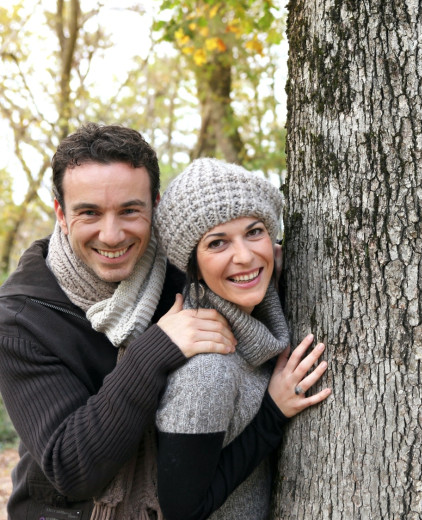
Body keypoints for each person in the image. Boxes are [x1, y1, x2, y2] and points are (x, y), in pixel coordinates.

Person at [0, 123, 239, 519]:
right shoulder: (20, 319)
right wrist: (155, 351)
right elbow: (70, 467)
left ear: (155, 206)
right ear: (61, 213)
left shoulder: (185, 277)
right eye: (89, 213)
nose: (111, 235)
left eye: (130, 210)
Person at [153, 158, 331, 519]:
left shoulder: (253, 325)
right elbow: (181, 511)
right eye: (218, 243)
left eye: (254, 232)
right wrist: (272, 413)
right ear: (193, 265)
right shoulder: (207, 369)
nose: (246, 256)